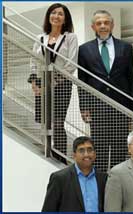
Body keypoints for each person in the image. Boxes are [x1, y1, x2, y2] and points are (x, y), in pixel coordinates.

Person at [78, 10, 133, 172]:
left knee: (119, 151)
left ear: (112, 25)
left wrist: (131, 111)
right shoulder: (84, 49)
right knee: (99, 152)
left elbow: (130, 78)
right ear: (93, 26)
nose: (103, 26)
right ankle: (100, 189)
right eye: (99, 23)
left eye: (106, 22)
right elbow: (82, 80)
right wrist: (84, 107)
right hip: (97, 107)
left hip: (120, 107)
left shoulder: (126, 47)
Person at [28, 3, 77, 164]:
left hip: (61, 84)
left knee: (57, 121)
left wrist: (52, 82)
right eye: (53, 13)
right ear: (49, 16)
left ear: (65, 19)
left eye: (60, 14)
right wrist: (35, 83)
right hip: (41, 83)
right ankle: (46, 154)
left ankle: (60, 158)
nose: (56, 16)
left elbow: (71, 64)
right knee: (44, 121)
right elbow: (33, 61)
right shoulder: (40, 38)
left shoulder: (70, 37)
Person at [41, 136, 107, 212]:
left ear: (95, 154)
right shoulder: (59, 178)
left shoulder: (103, 178)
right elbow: (48, 209)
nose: (86, 154)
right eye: (81, 151)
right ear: (74, 155)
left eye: (89, 150)